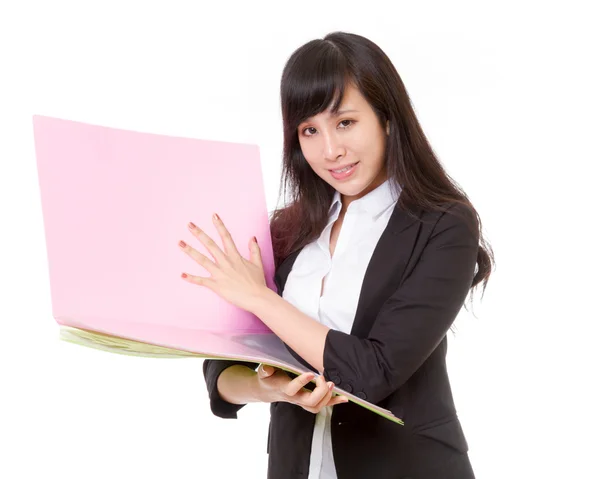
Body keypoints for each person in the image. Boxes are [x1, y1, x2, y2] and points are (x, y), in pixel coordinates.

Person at [180, 31, 494, 479]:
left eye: (345, 122)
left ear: (386, 118)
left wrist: (260, 298)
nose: (330, 151)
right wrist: (273, 389)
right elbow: (221, 370)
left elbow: (375, 371)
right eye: (310, 130)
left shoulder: (444, 225)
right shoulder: (287, 229)